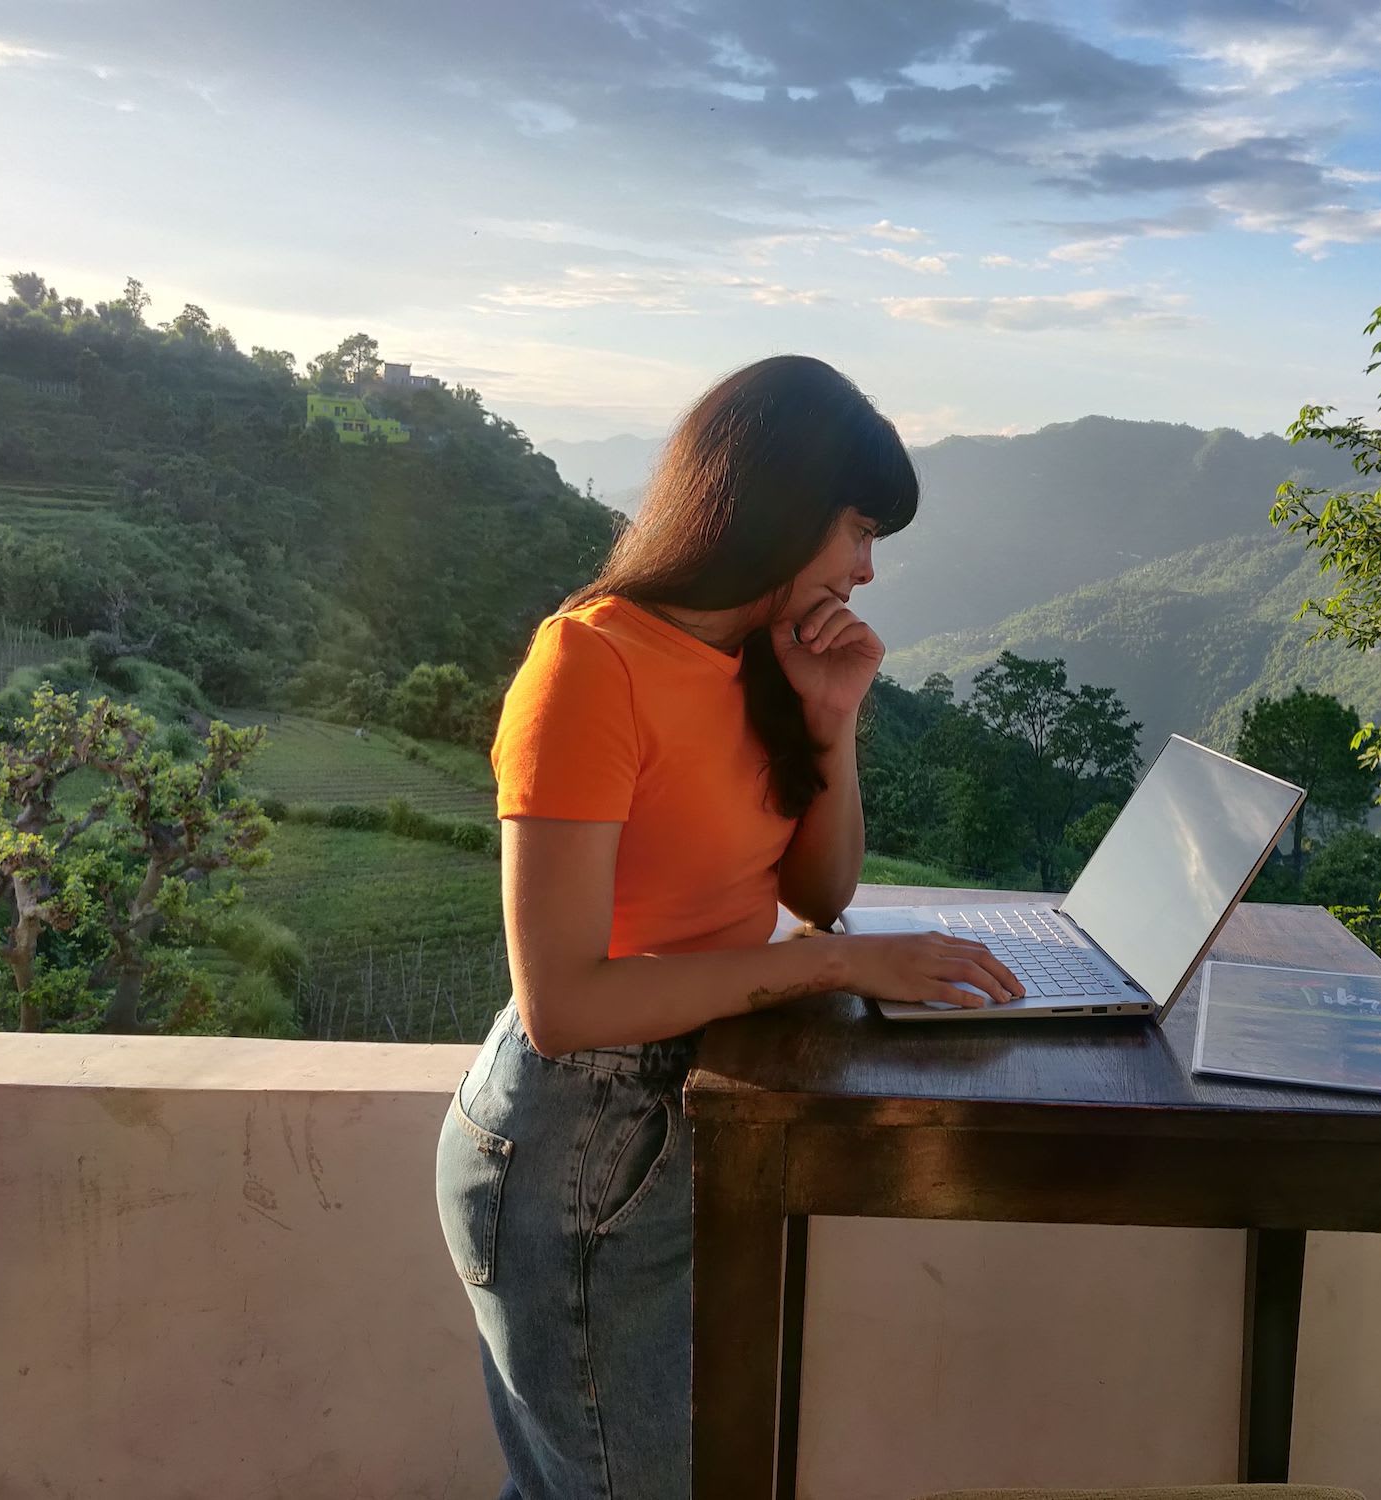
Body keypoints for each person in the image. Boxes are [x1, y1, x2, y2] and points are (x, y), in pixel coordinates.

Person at [433, 355, 1024, 1500]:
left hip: (695, 1105)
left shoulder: (751, 662)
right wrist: (831, 968)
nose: (863, 569)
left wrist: (832, 724)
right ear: (776, 502)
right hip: (580, 1143)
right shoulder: (590, 663)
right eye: (856, 530)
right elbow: (564, 1004)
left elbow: (820, 885)